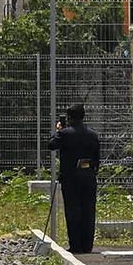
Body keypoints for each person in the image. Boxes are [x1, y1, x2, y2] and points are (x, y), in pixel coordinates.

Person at [47, 104, 101, 254]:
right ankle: (87, 245)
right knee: (89, 210)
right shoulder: (92, 134)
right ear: (83, 116)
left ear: (69, 118)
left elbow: (51, 145)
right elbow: (97, 158)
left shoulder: (65, 134)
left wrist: (59, 130)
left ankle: (76, 245)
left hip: (71, 177)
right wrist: (93, 171)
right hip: (88, 175)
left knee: (73, 210)